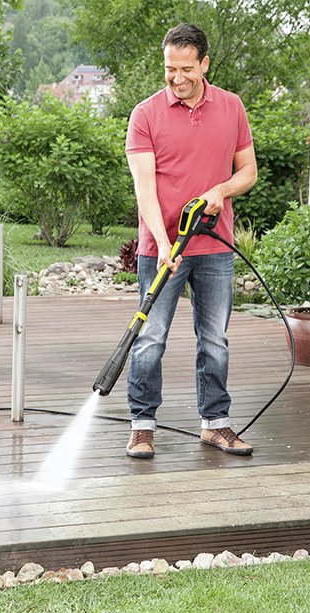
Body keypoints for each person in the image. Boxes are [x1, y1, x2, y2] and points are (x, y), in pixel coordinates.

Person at [123, 23, 257, 459]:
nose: (176, 77)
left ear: (204, 64)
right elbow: (145, 188)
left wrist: (221, 190)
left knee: (214, 338)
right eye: (168, 69)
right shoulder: (145, 115)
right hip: (161, 247)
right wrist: (163, 243)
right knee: (151, 338)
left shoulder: (232, 107)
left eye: (185, 68)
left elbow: (247, 173)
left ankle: (215, 424)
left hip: (215, 246)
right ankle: (142, 426)